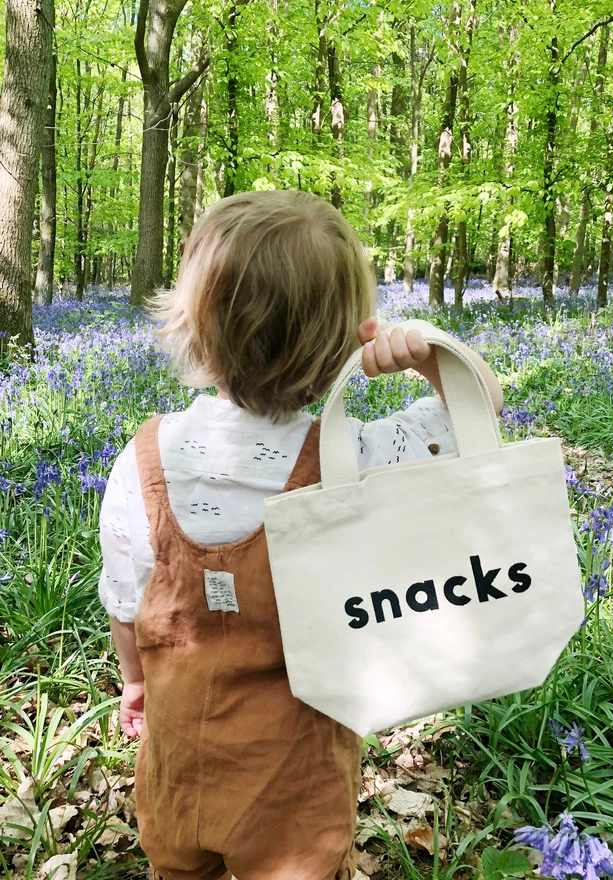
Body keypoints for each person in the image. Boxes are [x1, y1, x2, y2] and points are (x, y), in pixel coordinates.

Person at [98, 190, 503, 880]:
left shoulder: (144, 460)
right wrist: (428, 355)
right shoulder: (359, 459)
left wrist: (135, 683)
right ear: (347, 339)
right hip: (295, 793)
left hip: (176, 771)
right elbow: (477, 413)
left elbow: (126, 601)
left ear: (193, 325)